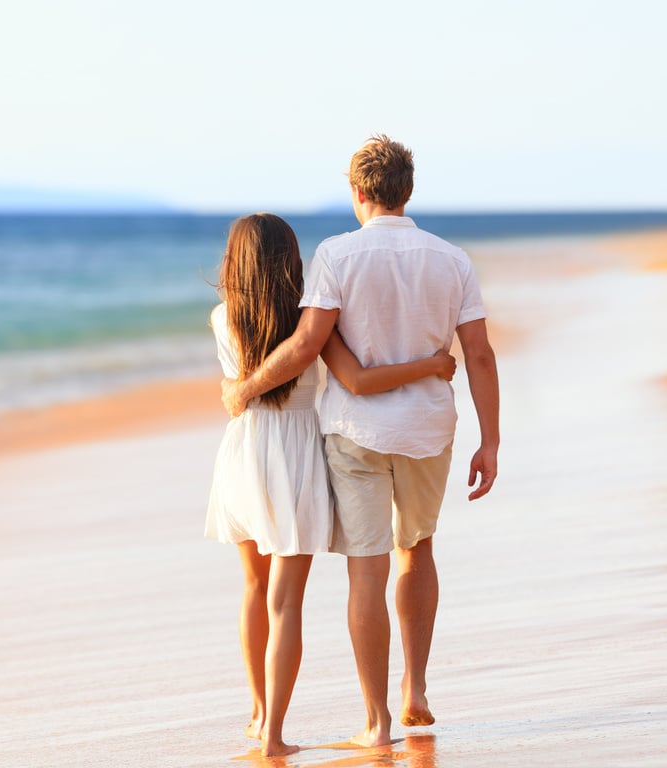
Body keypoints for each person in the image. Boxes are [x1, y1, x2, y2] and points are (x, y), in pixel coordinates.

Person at [221, 136, 501, 748]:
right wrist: (492, 442)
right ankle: (416, 688)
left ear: (357, 192)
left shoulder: (337, 255)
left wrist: (244, 390)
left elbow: (306, 345)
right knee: (419, 548)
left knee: (365, 571)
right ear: (407, 190)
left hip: (355, 433)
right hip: (428, 430)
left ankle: (376, 721)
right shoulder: (452, 259)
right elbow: (478, 352)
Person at [205, 212, 457, 757]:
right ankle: (274, 732)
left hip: (243, 453)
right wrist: (433, 364)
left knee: (253, 587)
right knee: (285, 601)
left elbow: (233, 385)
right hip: (295, 456)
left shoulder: (222, 316)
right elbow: (358, 380)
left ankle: (256, 711)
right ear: (289, 259)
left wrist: (240, 390)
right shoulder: (311, 322)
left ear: (235, 262)